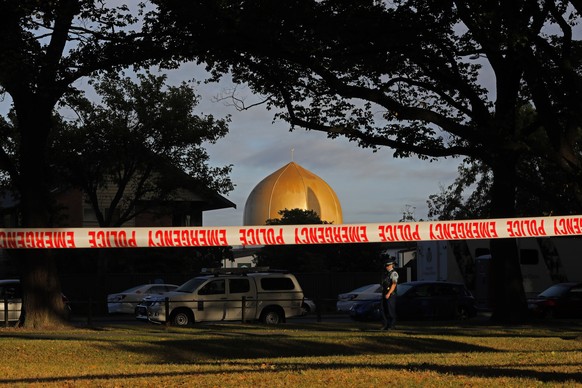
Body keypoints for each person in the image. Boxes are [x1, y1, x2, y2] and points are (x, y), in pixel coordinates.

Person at [381, 258, 399, 330]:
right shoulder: (386, 274)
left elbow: (394, 284)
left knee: (390, 310)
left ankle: (392, 325)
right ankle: (386, 325)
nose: (387, 267)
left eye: (388, 265)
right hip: (385, 293)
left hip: (391, 294)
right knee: (383, 309)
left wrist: (389, 293)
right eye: (386, 266)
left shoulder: (394, 273)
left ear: (392, 265)